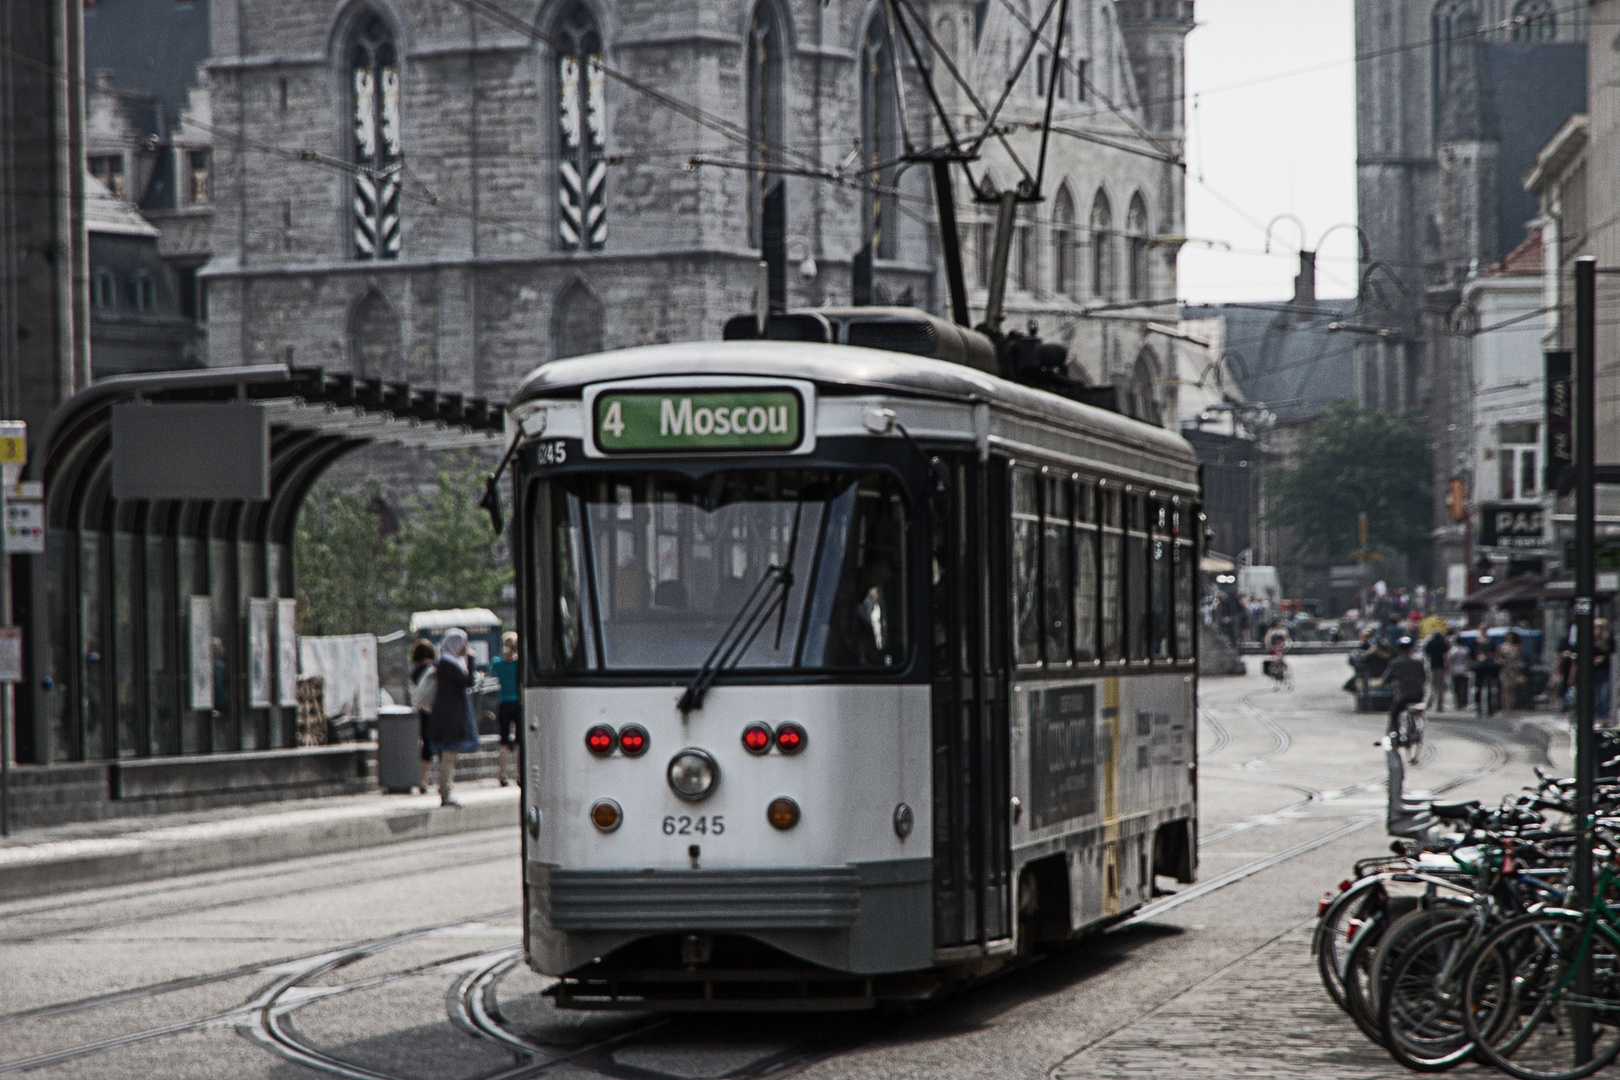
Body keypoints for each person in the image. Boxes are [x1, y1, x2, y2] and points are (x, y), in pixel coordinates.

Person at [426, 628, 480, 807]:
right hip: (449, 716)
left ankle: (446, 790)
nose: (466, 647)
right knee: (448, 756)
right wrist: (472, 660)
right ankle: (446, 793)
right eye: (463, 643)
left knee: (448, 756)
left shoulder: (448, 663)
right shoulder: (449, 665)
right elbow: (468, 681)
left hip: (448, 714)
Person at [488, 631, 521, 787]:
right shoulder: (519, 664)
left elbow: (491, 670)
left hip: (504, 703)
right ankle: (520, 775)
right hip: (519, 703)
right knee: (520, 741)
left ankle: (503, 774)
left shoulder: (498, 663)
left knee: (504, 741)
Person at [1382, 636, 1427, 738]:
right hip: (1418, 695)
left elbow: (1386, 679)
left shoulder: (1395, 663)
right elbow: (1424, 678)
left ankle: (1396, 734)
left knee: (1394, 712)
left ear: (1398, 649)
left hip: (1403, 695)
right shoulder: (1419, 662)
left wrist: (1383, 683)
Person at [409, 638, 437, 794]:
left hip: (418, 710)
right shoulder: (432, 670)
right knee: (430, 745)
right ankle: (425, 780)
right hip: (432, 710)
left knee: (422, 742)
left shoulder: (414, 672)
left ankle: (421, 779)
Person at [1497, 630, 1524, 712]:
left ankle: (1510, 706)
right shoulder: (1502, 647)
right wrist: (1502, 661)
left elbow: (1520, 658)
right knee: (1505, 687)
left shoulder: (1517, 647)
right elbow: (1497, 658)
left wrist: (1516, 663)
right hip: (1505, 668)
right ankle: (1504, 706)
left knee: (1511, 688)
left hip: (1513, 669)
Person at [1423, 630, 1450, 710]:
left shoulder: (1430, 643)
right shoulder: (1443, 643)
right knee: (1440, 687)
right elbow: (1446, 655)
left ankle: (1429, 704)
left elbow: (1426, 654)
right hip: (1441, 666)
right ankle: (1439, 705)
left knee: (1431, 685)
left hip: (1432, 666)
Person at [1447, 634, 1472, 713]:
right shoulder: (1465, 649)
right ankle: (1463, 702)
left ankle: (1458, 703)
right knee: (1464, 687)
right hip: (1464, 670)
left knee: (1456, 688)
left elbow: (1450, 661)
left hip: (1455, 670)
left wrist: (1449, 670)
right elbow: (1468, 660)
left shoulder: (1452, 650)